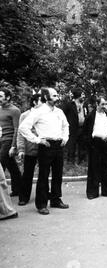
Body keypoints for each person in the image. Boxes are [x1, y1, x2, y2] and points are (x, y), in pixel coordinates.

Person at [19, 87, 69, 215]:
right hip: (46, 145)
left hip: (58, 145)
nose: (57, 98)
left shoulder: (59, 112)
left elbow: (66, 126)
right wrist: (37, 140)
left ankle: (55, 200)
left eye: (57, 95)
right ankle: (41, 204)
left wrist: (65, 138)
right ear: (46, 97)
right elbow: (23, 128)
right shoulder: (38, 112)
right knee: (43, 175)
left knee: (58, 174)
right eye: (54, 96)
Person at [82, 97, 107, 199]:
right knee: (94, 168)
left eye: (106, 104)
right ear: (97, 104)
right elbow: (87, 132)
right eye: (103, 104)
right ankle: (92, 192)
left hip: (106, 144)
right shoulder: (91, 116)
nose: (105, 106)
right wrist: (100, 136)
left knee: (106, 167)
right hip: (95, 143)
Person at [17, 94, 41, 206]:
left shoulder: (45, 115)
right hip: (29, 149)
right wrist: (21, 149)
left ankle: (45, 194)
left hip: (43, 148)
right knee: (27, 173)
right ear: (35, 102)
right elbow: (20, 134)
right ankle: (24, 197)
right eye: (41, 101)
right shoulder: (24, 115)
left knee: (44, 174)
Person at [0, 88, 23, 197]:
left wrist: (14, 146)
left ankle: (2, 195)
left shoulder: (15, 110)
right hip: (0, 139)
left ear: (8, 97)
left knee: (1, 165)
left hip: (8, 141)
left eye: (0, 96)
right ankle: (18, 189)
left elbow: (17, 129)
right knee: (12, 166)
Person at [61, 88, 86, 164]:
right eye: (82, 95)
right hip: (72, 129)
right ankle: (70, 162)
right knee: (71, 146)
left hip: (82, 128)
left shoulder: (84, 105)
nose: (84, 96)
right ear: (78, 95)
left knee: (82, 146)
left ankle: (82, 162)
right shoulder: (69, 105)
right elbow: (62, 115)